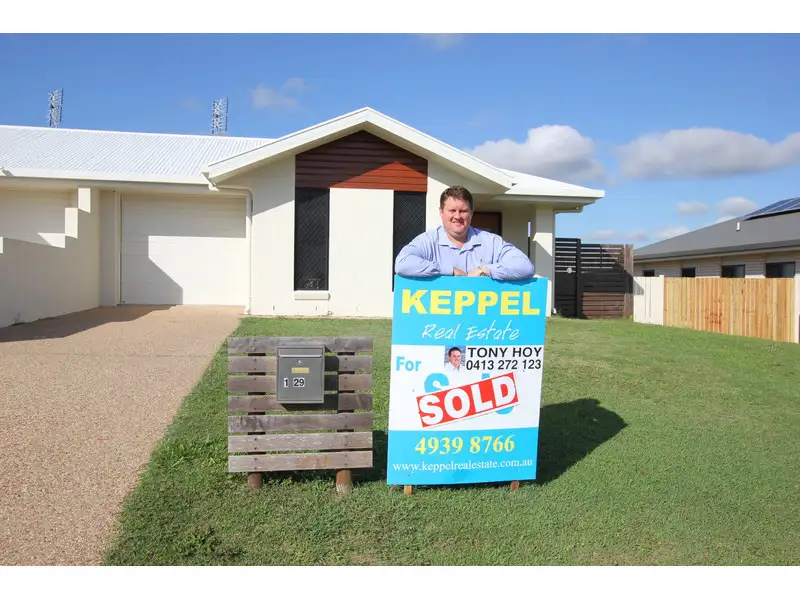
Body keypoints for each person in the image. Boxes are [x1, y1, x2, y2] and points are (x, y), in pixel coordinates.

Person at [394, 185, 535, 280]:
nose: (457, 216)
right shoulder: (427, 240)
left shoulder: (491, 242)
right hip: (440, 323)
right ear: (441, 212)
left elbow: (525, 266)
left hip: (482, 322)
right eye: (452, 211)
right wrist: (450, 270)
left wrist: (485, 270)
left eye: (463, 211)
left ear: (471, 213)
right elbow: (402, 264)